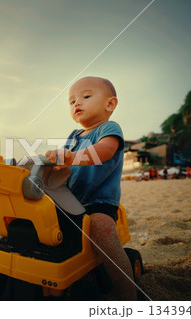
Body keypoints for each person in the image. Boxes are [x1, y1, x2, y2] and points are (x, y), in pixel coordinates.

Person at [45, 76, 136, 300]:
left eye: (85, 97)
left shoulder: (108, 129)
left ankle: (127, 294)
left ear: (110, 104)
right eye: (72, 101)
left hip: (99, 202)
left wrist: (72, 157)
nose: (77, 103)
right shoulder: (73, 136)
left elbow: (105, 151)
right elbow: (63, 167)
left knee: (101, 228)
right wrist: (54, 164)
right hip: (70, 200)